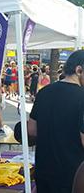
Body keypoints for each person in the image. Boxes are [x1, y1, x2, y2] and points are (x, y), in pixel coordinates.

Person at [27, 50, 84, 193]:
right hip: (72, 177)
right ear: (79, 70)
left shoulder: (44, 92)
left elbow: (31, 131)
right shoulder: (82, 97)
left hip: (44, 172)